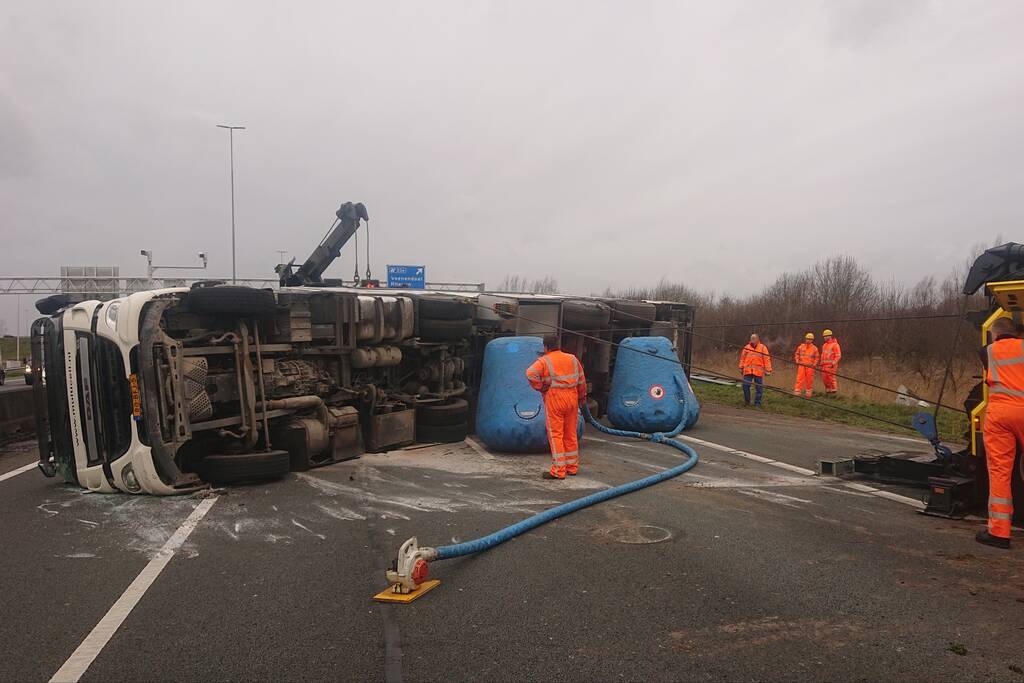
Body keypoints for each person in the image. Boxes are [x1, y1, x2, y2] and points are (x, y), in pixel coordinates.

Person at [976, 317, 1024, 549]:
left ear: (994, 334)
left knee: (1000, 472)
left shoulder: (987, 351)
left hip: (999, 413)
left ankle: (999, 533)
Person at [526, 335, 587, 480]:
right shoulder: (572, 358)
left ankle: (559, 470)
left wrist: (540, 387)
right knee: (570, 433)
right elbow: (581, 379)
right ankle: (572, 467)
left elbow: (530, 373)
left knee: (555, 435)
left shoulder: (544, 361)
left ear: (545, 347)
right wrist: (582, 397)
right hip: (572, 398)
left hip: (555, 398)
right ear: (558, 344)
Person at [739, 333, 772, 407]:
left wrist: (768, 370)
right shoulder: (746, 347)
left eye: (754, 338)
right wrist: (741, 367)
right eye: (751, 338)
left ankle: (757, 403)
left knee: (759, 388)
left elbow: (767, 359)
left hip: (758, 371)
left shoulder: (763, 348)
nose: (752, 340)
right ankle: (747, 402)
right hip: (748, 371)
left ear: (758, 339)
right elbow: (742, 358)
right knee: (745, 386)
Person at [793, 333, 819, 397]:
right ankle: (797, 391)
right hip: (801, 365)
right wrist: (797, 360)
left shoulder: (814, 348)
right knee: (799, 378)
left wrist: (814, 364)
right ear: (805, 339)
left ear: (812, 340)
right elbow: (797, 354)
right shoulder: (801, 347)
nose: (808, 340)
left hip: (810, 366)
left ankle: (808, 393)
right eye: (807, 339)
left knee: (809, 379)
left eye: (810, 339)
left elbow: (817, 357)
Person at [820, 330, 842, 396]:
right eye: (824, 336)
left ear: (830, 336)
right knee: (824, 379)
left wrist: (833, 363)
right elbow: (823, 355)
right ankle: (828, 392)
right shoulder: (824, 345)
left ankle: (834, 392)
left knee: (831, 378)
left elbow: (838, 355)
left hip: (831, 365)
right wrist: (821, 363)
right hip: (824, 366)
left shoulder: (835, 345)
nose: (825, 337)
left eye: (827, 336)